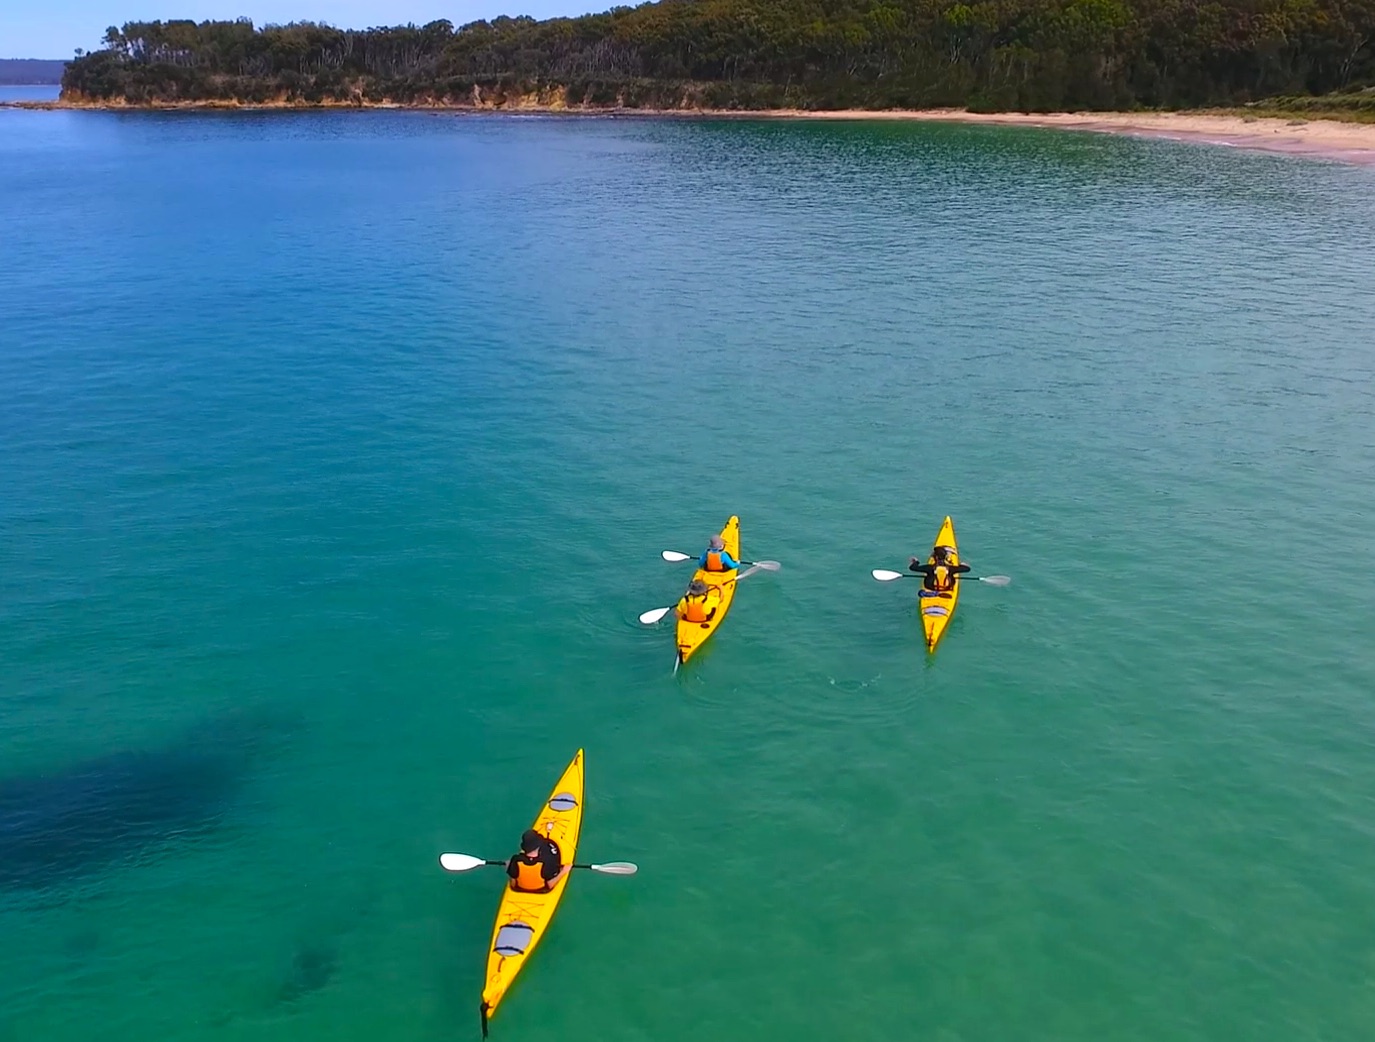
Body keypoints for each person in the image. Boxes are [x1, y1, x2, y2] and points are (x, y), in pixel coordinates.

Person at [506, 826, 570, 893]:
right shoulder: (546, 862)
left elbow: (513, 884)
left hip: (520, 890)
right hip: (540, 890)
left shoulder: (515, 860)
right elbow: (550, 885)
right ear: (538, 846)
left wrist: (509, 868)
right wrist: (564, 871)